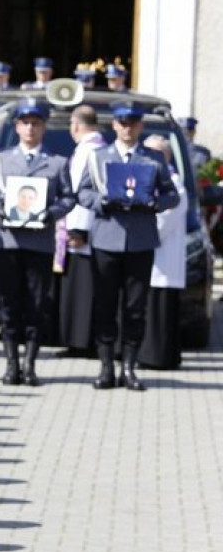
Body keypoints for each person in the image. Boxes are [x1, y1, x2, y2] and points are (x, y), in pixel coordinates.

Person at [77, 100, 179, 390]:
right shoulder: (98, 157)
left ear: (141, 126)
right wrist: (101, 201)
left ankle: (130, 368)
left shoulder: (154, 159)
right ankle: (106, 367)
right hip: (107, 238)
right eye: (122, 122)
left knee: (135, 308)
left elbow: (173, 195)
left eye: (133, 122)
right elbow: (82, 192)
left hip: (139, 240)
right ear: (114, 125)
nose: (127, 127)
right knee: (105, 306)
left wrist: (157, 203)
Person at [0, 98, 75, 386]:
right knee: (9, 303)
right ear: (17, 126)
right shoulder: (1, 159)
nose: (30, 128)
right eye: (25, 123)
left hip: (39, 242)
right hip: (8, 242)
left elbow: (69, 198)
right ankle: (11, 365)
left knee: (36, 304)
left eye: (36, 123)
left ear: (44, 127)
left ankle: (30, 364)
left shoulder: (58, 162)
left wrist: (51, 213)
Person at [59, 105, 105, 357]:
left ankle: (80, 342)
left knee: (82, 289)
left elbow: (78, 191)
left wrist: (78, 229)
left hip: (83, 228)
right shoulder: (99, 147)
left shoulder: (88, 150)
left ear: (75, 125)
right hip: (91, 228)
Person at [139, 134, 187, 370]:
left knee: (161, 313)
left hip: (161, 260)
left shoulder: (174, 183)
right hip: (147, 257)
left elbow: (164, 221)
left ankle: (158, 358)